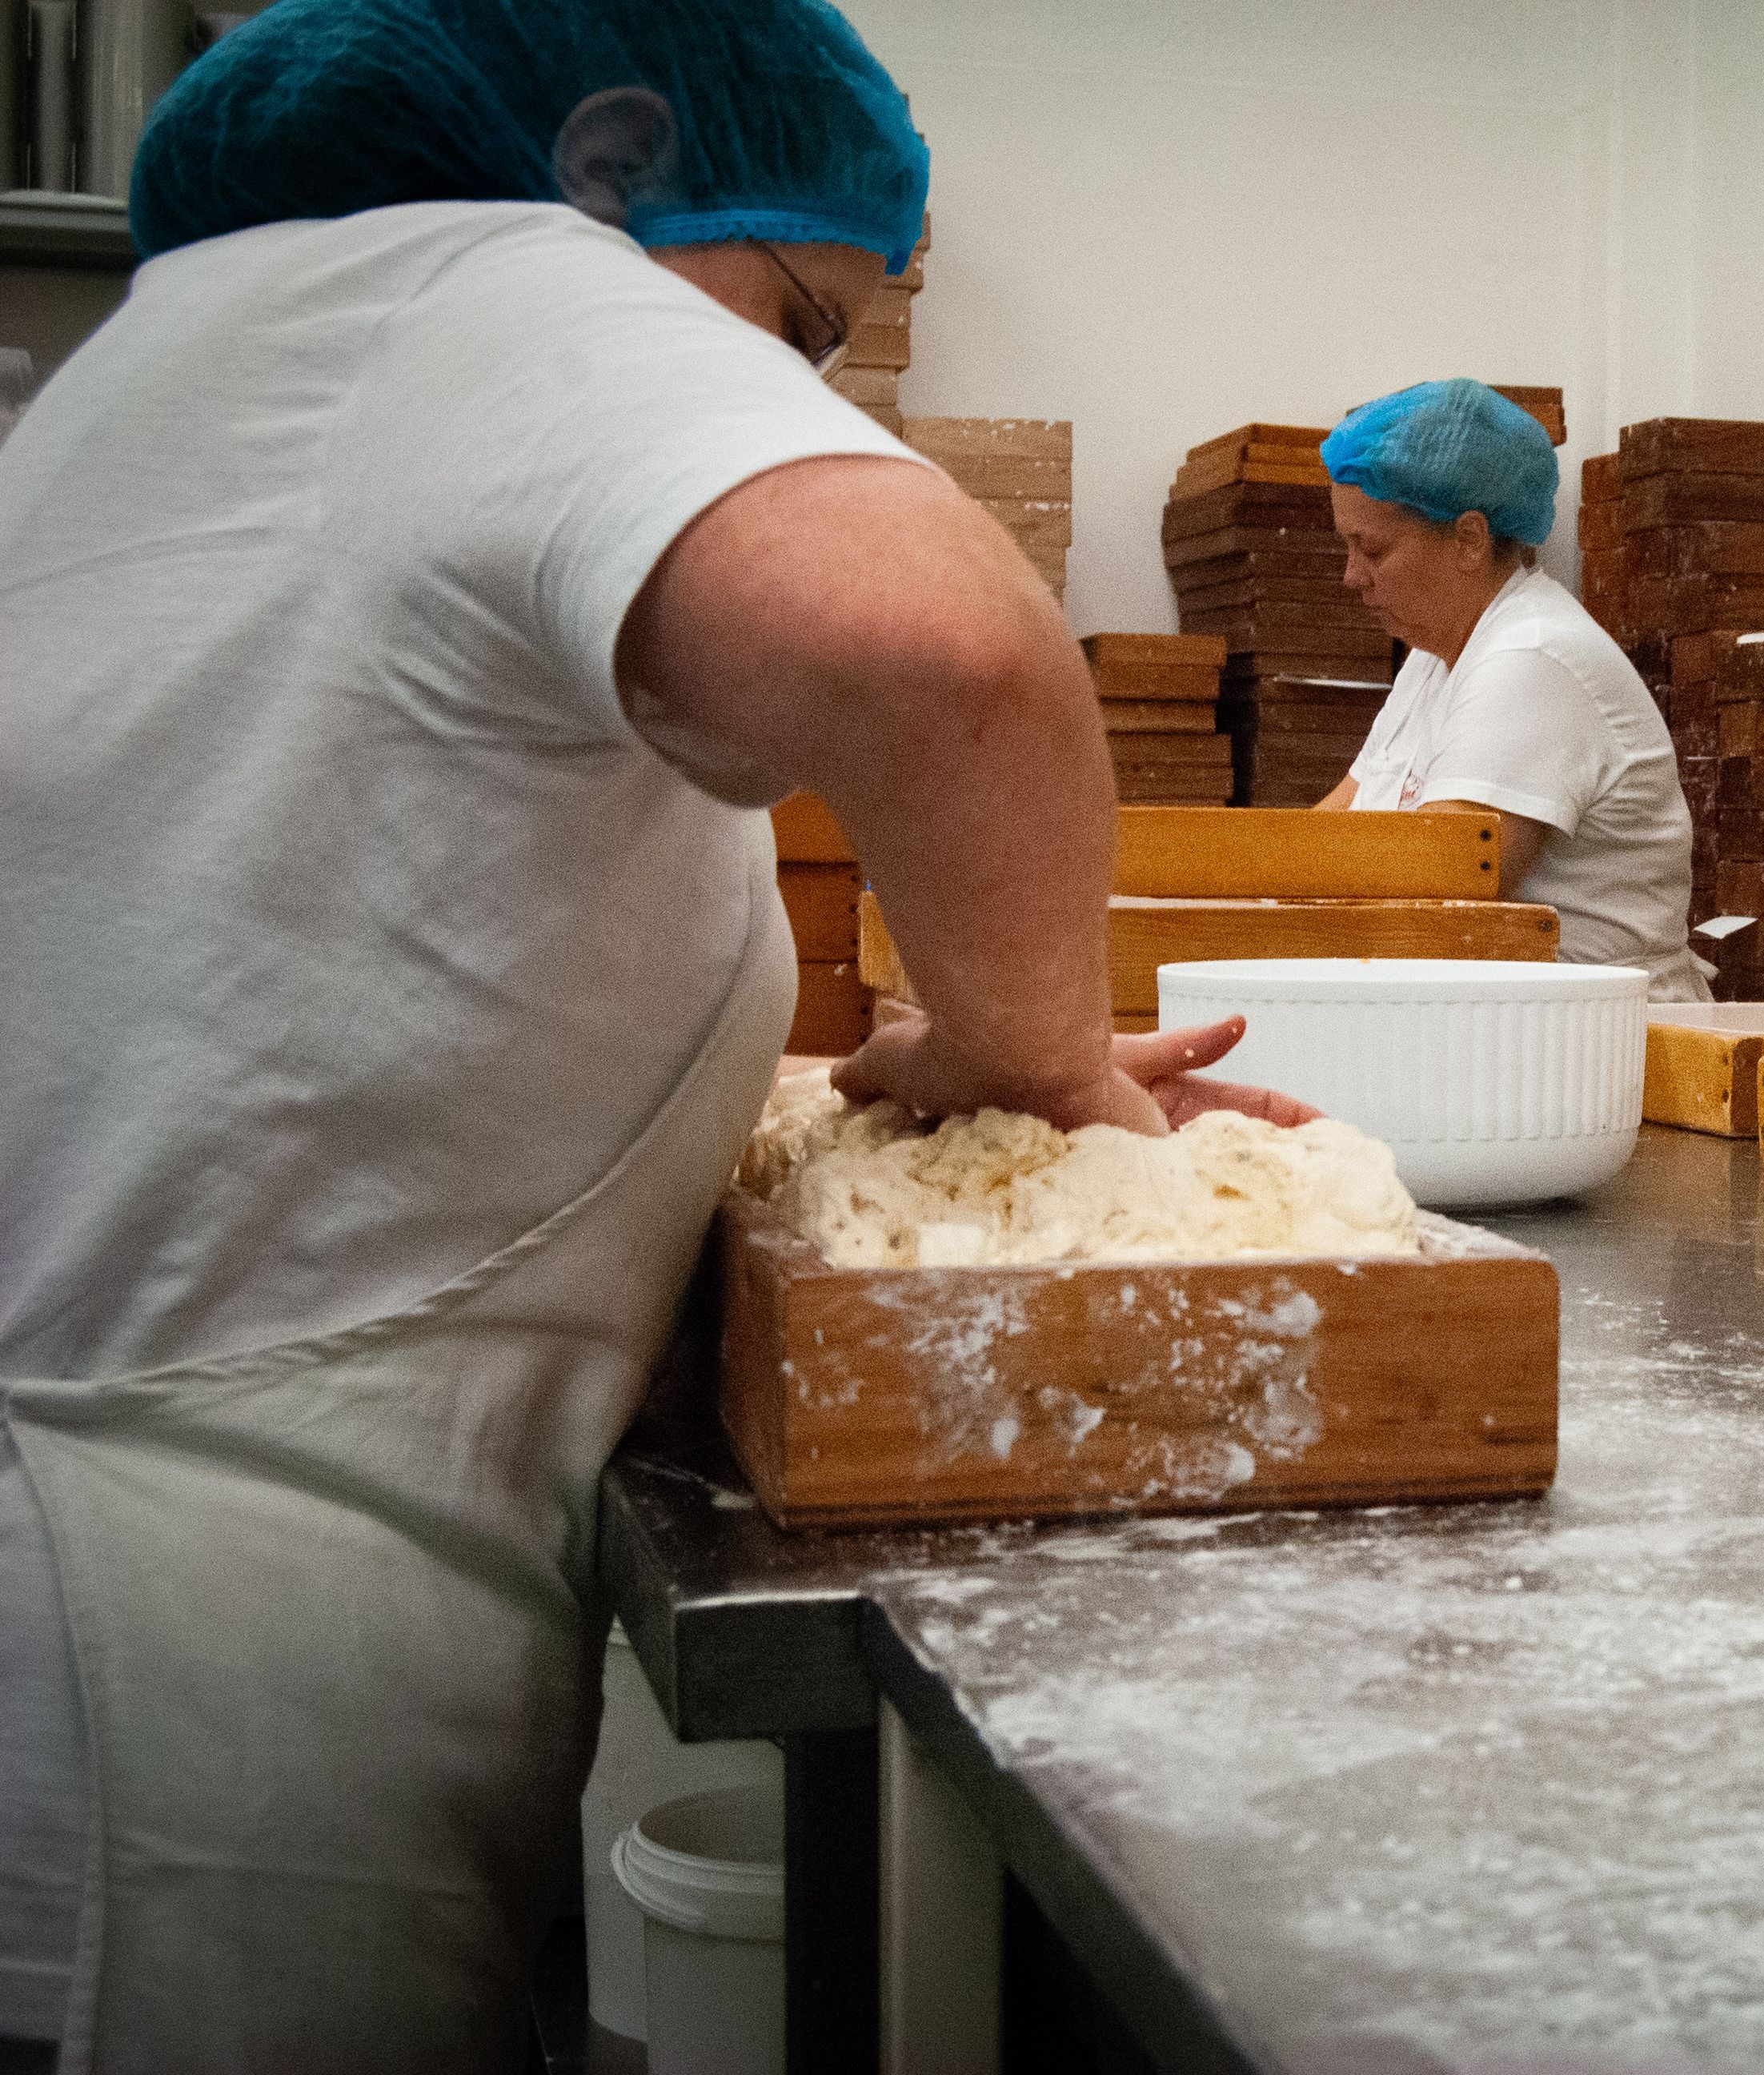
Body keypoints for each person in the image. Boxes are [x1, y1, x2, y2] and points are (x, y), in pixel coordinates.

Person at [0, 1, 1299, 2065]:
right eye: (798, 323)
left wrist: (856, 1083)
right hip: (190, 1682)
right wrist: (1046, 1063)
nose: (792, 387)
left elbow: (341, 966)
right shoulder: (492, 284)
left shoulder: (218, 360)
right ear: (617, 162)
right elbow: (942, 642)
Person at [1316, 379, 1712, 1001]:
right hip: (1505, 1025)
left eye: (1371, 549)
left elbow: (1443, 877)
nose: (1350, 577)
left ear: (1469, 539)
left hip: (1596, 1045)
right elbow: (1326, 837)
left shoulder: (1532, 657)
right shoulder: (1435, 658)